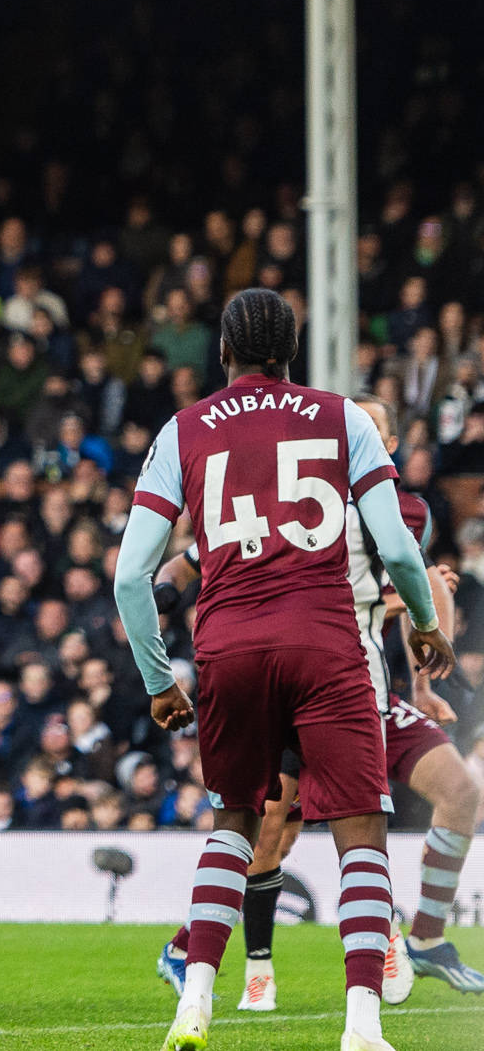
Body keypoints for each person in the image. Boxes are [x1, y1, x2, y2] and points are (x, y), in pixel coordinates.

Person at [112, 288, 452, 1051]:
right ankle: (362, 1022)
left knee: (235, 819)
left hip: (228, 645)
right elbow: (399, 550)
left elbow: (131, 577)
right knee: (361, 827)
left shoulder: (183, 429)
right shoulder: (345, 418)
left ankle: (194, 1002)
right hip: (327, 644)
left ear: (223, 352)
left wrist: (158, 680)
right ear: (292, 353)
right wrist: (426, 625)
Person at [151, 394, 484, 1007]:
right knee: (269, 834)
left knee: (460, 791)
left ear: (382, 445)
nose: (367, 434)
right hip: (310, 689)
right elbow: (403, 589)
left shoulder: (403, 510)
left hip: (365, 692)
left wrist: (421, 682)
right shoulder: (290, 501)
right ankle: (199, 949)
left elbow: (411, 584)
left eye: (378, 427)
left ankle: (422, 938)